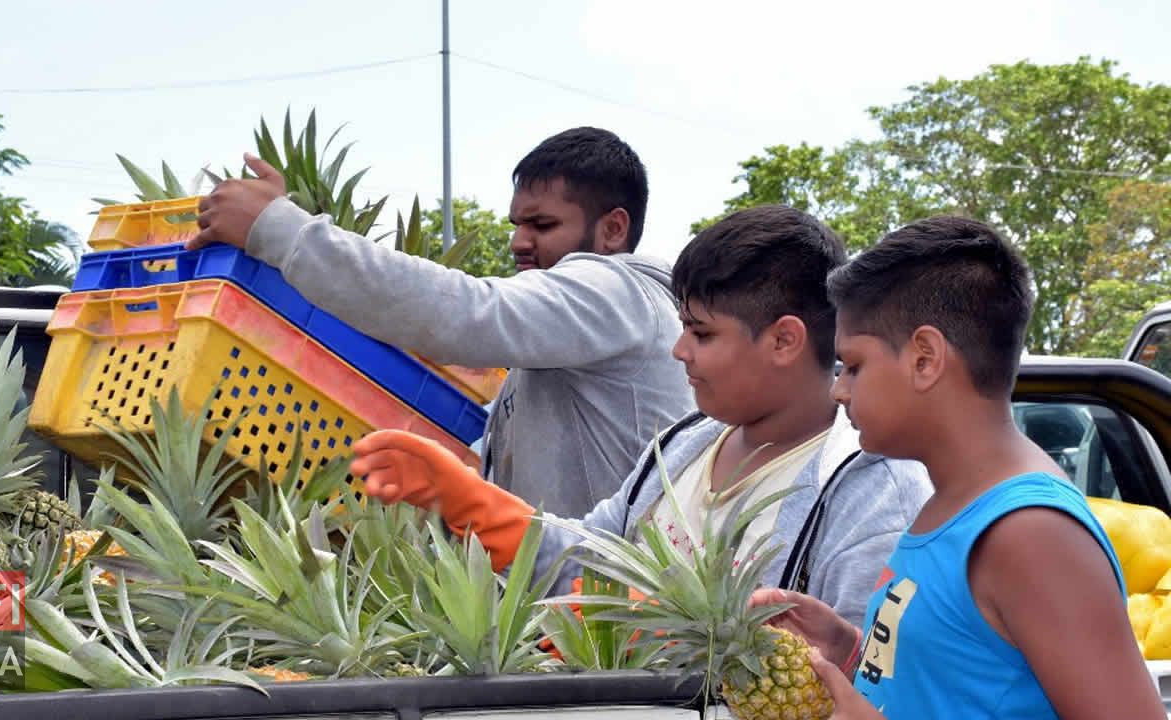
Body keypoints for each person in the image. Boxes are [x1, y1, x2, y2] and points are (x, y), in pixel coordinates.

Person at [350, 206, 932, 628]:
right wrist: (475, 505)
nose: (680, 352)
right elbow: (590, 563)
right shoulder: (687, 443)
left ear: (784, 340)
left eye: (701, 333)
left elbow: (865, 683)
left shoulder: (870, 493)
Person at [753, 216, 1163, 719]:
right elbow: (959, 680)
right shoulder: (951, 502)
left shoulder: (1029, 534)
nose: (839, 390)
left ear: (925, 358)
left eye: (854, 366)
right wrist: (849, 649)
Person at [190, 127, 693, 517]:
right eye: (516, 223)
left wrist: (279, 230)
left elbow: (468, 312)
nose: (519, 242)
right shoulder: (562, 342)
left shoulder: (616, 291)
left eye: (542, 225)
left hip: (609, 620)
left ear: (612, 229)